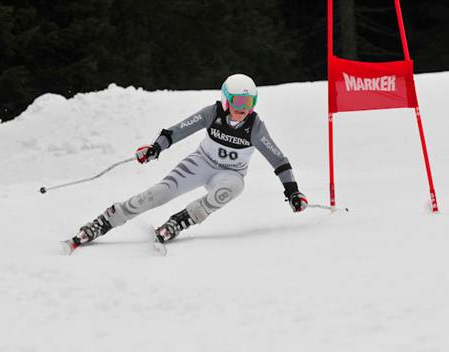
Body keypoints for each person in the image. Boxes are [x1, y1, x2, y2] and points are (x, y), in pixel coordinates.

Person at [69, 73, 308, 248]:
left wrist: (293, 192)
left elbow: (278, 160)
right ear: (226, 101)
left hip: (229, 174)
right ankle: (105, 221)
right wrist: (155, 148)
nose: (243, 108)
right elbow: (177, 130)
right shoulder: (212, 113)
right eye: (238, 102)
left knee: (234, 187)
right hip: (200, 163)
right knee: (159, 194)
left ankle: (182, 220)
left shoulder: (255, 127)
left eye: (249, 103)